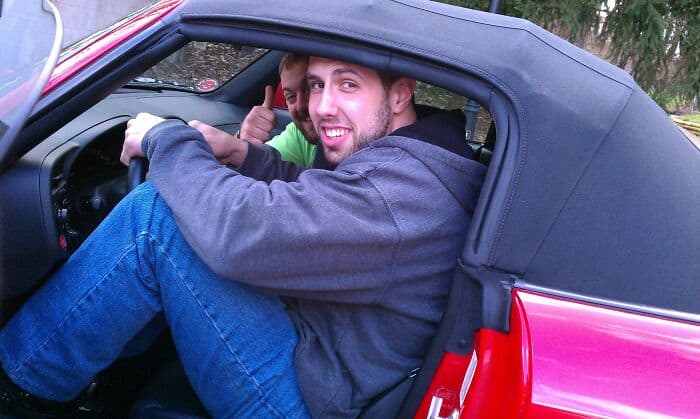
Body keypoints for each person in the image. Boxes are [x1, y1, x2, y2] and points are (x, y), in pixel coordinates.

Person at [0, 56, 486, 418]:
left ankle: (21, 386)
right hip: (328, 359)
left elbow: (238, 234)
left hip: (310, 399)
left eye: (348, 85)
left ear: (400, 95)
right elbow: (322, 196)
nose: (321, 107)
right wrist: (242, 154)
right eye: (317, 85)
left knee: (157, 221)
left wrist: (164, 139)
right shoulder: (416, 162)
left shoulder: (398, 195)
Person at [189, 53, 321, 169]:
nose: (300, 106)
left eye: (311, 89)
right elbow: (268, 167)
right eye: (291, 97)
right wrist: (243, 144)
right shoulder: (298, 135)